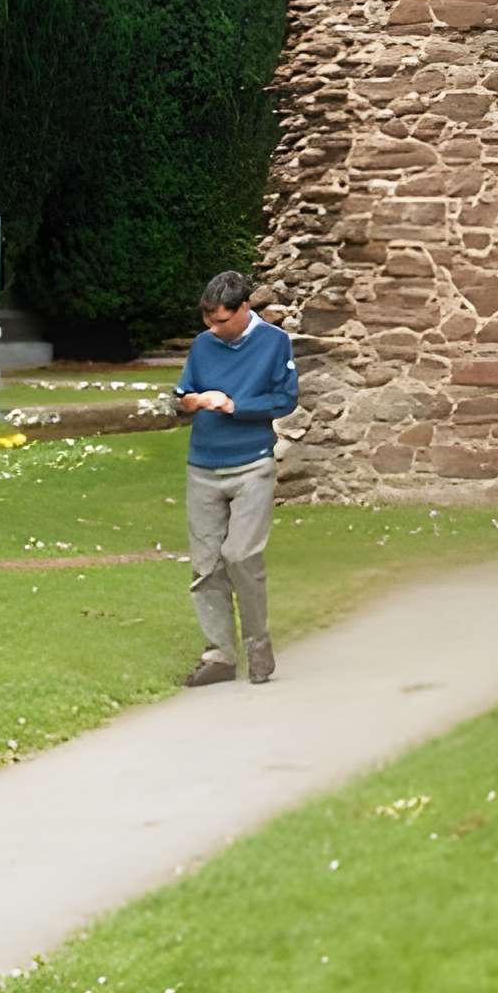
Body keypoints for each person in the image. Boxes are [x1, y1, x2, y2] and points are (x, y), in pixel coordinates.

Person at [172, 270, 298, 685]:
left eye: (222, 320)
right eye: (209, 321)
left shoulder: (275, 343)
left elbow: (284, 400)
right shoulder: (203, 345)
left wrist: (234, 405)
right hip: (202, 466)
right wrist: (191, 402)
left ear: (245, 307)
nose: (213, 328)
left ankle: (258, 646)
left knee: (241, 555)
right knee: (206, 566)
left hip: (252, 465)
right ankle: (219, 657)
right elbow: (180, 398)